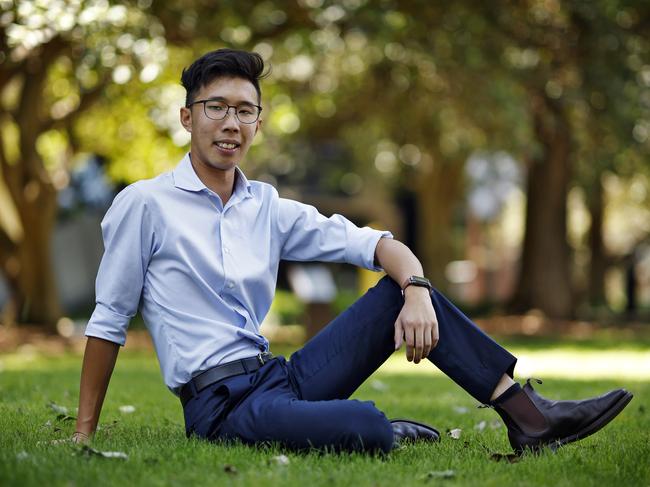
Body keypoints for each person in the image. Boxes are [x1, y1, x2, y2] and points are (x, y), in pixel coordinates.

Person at [72, 49, 633, 454]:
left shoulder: (267, 206)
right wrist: (83, 436)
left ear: (259, 123)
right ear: (187, 117)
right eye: (215, 107)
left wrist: (415, 292)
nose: (230, 123)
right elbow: (110, 318)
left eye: (244, 110)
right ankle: (377, 428)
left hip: (280, 378)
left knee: (398, 291)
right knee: (363, 426)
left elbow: (377, 245)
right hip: (219, 406)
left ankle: (528, 416)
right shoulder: (144, 204)